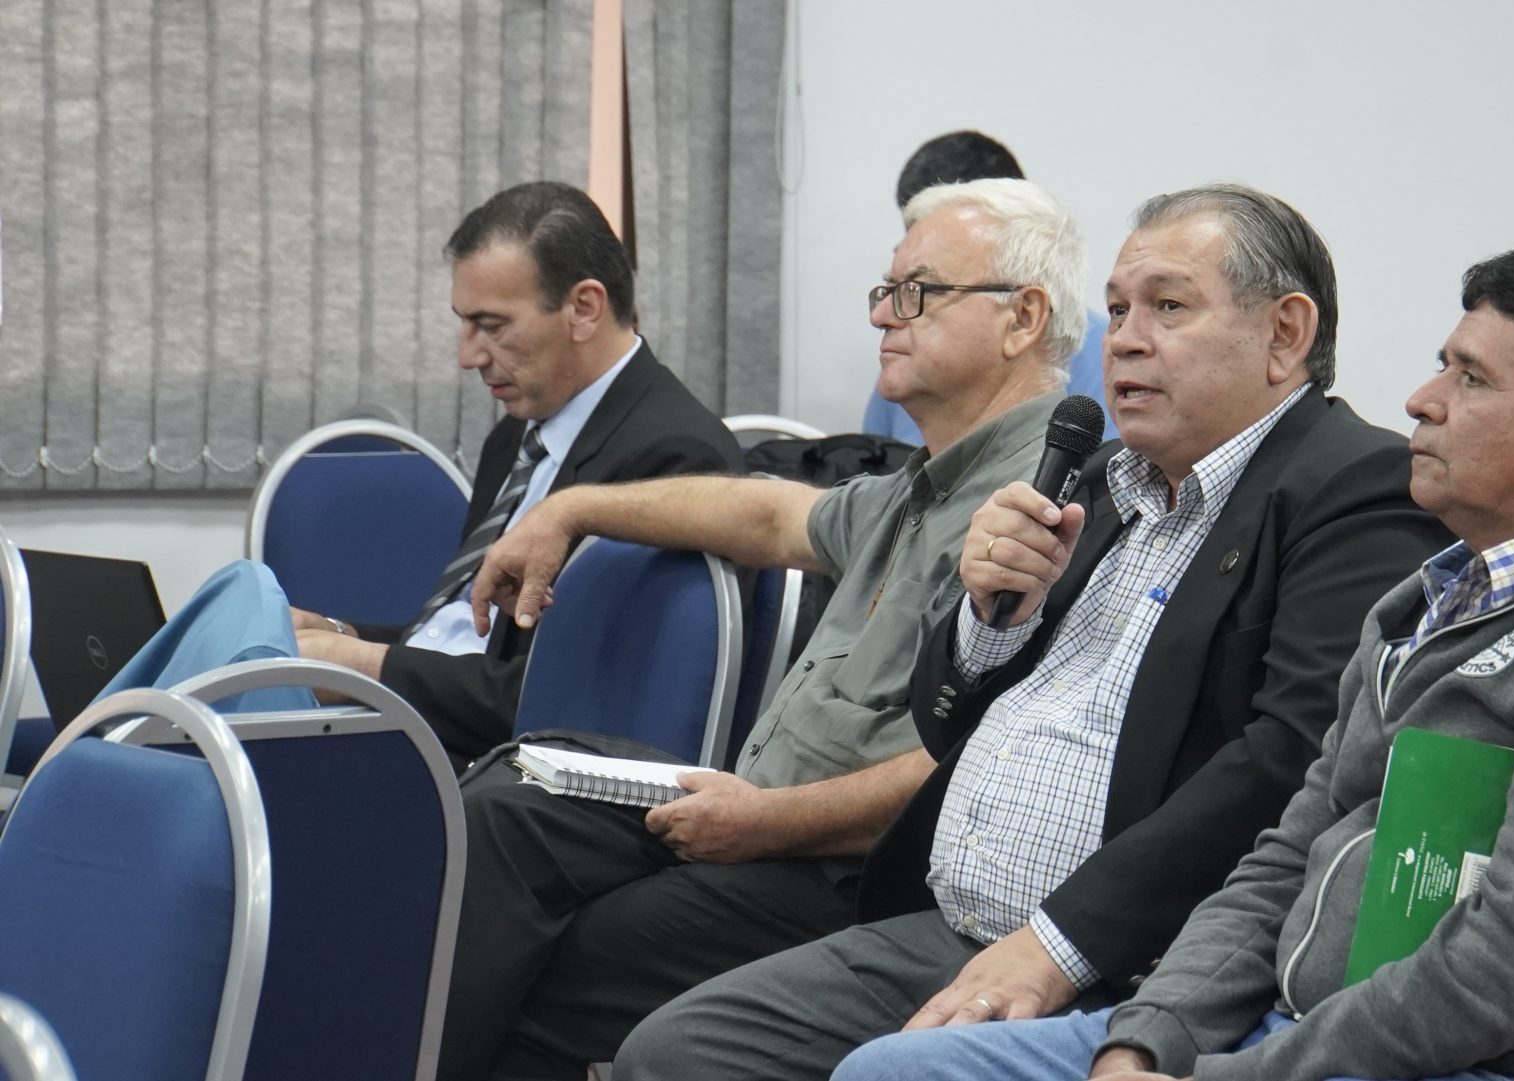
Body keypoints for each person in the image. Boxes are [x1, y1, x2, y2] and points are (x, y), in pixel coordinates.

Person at [824, 245, 1514, 1081]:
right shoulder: (1429, 600)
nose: (1421, 400)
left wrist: (1240, 1071)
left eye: (1470, 379)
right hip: (1291, 1029)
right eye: (1442, 366)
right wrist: (1147, 1042)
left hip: (1467, 1058)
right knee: (890, 1070)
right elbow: (1284, 858)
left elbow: (1510, 969)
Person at [613, 184, 1452, 1081]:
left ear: (1285, 333)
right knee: (673, 1052)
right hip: (947, 918)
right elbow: (943, 720)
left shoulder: (1355, 487)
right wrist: (988, 615)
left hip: (1132, 961)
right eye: (1118, 310)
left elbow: (1293, 758)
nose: (1125, 339)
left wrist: (1061, 943)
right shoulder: (1101, 479)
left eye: (1169, 307)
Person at [432, 177, 1087, 1081]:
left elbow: (978, 766)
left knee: (571, 949)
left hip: (842, 866)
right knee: (508, 806)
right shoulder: (925, 484)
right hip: (755, 806)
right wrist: (573, 508)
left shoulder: (1050, 511)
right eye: (885, 292)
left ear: (1022, 318)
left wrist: (767, 822)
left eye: (917, 293)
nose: (883, 316)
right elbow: (768, 515)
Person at [292, 181, 742, 762]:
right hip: (443, 736)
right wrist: (338, 635)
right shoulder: (516, 437)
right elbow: (472, 640)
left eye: (493, 325)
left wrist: (360, 668)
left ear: (584, 308)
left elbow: (574, 706)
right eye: (465, 323)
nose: (469, 356)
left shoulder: (673, 463)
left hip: (509, 772)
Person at [863, 131, 1117, 444]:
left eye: (923, 285)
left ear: (1023, 316)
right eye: (894, 285)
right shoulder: (907, 365)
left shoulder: (1106, 361)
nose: (881, 317)